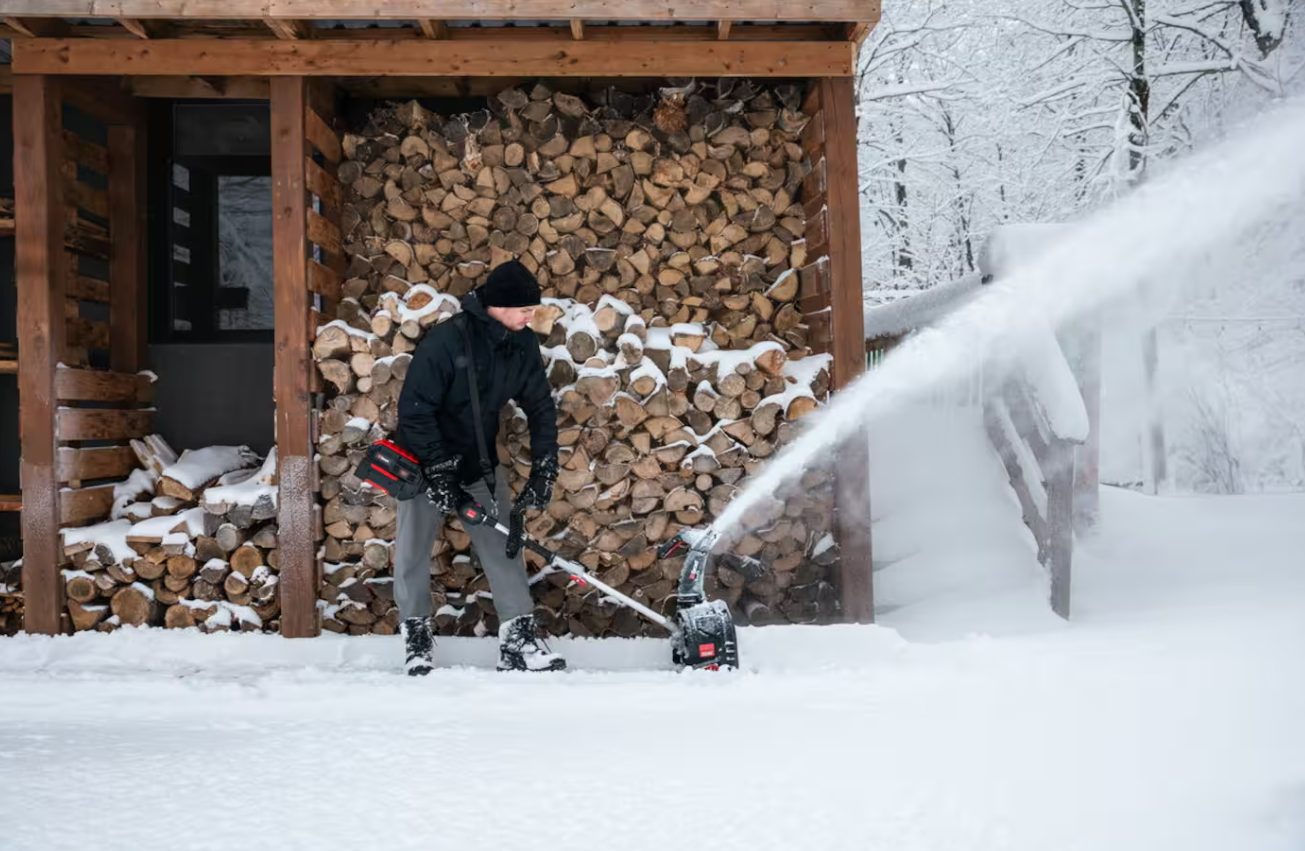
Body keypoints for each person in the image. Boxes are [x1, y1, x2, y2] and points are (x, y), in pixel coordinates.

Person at [392, 260, 561, 676]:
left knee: (503, 542)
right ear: (499, 306)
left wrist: (545, 466)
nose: (531, 316)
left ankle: (518, 640)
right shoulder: (446, 342)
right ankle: (416, 635)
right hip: (422, 460)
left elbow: (539, 405)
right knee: (413, 549)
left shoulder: (520, 344)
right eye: (524, 308)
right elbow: (414, 411)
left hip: (478, 459)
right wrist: (439, 468)